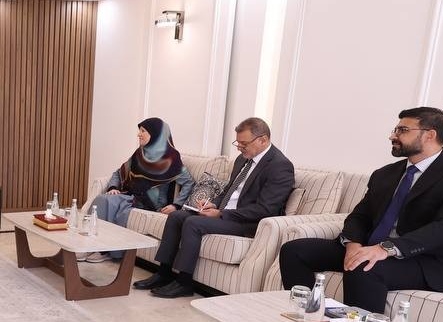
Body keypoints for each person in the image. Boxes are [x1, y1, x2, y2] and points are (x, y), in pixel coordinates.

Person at [279, 107, 443, 313]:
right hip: (372, 249)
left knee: (364, 268)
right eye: (395, 130)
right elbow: (360, 216)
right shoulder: (385, 174)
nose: (392, 136)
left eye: (402, 130)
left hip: (428, 260)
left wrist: (385, 249)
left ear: (430, 135)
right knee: (295, 251)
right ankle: (306, 318)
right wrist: (353, 244)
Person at [134, 117, 295, 298]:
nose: (239, 147)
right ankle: (163, 273)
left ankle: (184, 282)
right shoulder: (242, 160)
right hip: (226, 214)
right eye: (237, 143)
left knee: (193, 223)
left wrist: (221, 213)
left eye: (244, 144)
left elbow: (265, 209)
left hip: (248, 222)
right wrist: (214, 203)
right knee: (176, 216)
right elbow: (229, 190)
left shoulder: (280, 166)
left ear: (263, 140)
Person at [78, 118, 195, 263]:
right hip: (132, 196)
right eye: (139, 131)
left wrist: (176, 205)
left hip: (151, 204)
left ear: (156, 134)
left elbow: (189, 182)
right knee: (102, 199)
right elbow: (118, 173)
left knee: (111, 204)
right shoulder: (140, 153)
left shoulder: (171, 158)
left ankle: (103, 250)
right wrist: (113, 187)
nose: (139, 134)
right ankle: (90, 245)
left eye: (143, 131)